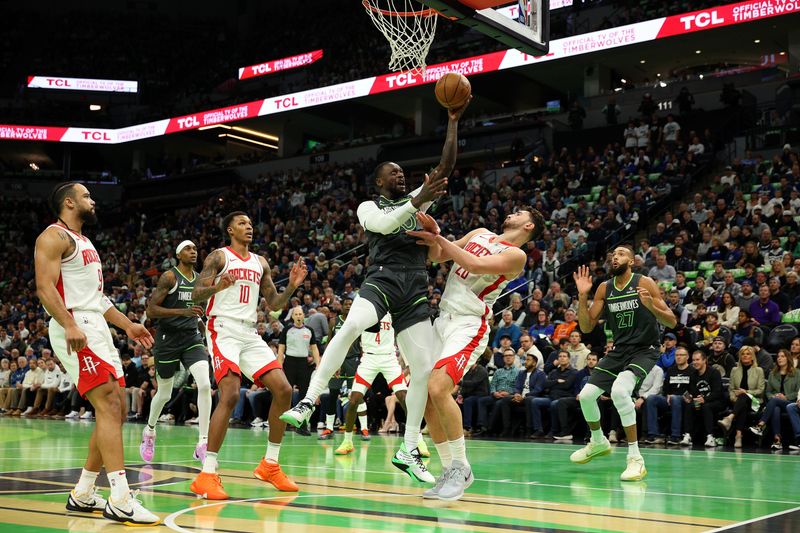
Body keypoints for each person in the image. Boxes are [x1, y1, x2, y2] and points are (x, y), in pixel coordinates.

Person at [281, 99, 469, 484]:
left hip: (415, 286)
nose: (401, 175)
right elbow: (384, 226)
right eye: (393, 172)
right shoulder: (369, 206)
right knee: (350, 326)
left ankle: (409, 446)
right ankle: (309, 399)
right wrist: (416, 199)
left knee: (422, 371)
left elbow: (446, 166)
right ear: (379, 181)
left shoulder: (417, 200)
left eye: (403, 172)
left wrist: (451, 121)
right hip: (382, 279)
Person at [35, 182, 159, 525]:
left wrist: (128, 325)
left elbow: (98, 299)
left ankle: (84, 492)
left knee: (116, 408)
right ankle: (121, 496)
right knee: (107, 402)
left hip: (95, 325)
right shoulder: (53, 237)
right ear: (70, 202)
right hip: (74, 324)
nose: (93, 200)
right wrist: (69, 324)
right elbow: (45, 287)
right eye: (87, 196)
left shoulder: (85, 242)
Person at [408, 206, 544, 500]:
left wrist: (437, 235)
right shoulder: (480, 233)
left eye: (520, 212)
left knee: (438, 387)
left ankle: (461, 466)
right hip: (442, 318)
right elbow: (438, 257)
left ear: (529, 225)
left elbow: (474, 264)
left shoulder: (516, 256)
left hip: (469, 324)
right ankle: (448, 469)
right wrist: (433, 240)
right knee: (424, 396)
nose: (513, 213)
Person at [189, 211, 308, 500]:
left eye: (251, 224)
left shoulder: (260, 263)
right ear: (230, 229)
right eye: (242, 223)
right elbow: (195, 293)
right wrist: (218, 286)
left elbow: (275, 302)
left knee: (283, 389)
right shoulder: (219, 257)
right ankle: (207, 473)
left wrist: (291, 286)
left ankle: (270, 464)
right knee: (229, 394)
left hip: (249, 330)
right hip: (223, 328)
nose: (249, 227)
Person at [570, 245, 677, 481]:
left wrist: (650, 305)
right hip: (619, 350)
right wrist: (582, 295)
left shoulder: (645, 282)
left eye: (620, 254)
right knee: (586, 395)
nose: (614, 257)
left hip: (645, 350)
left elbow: (671, 322)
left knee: (619, 391)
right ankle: (598, 441)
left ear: (632, 261)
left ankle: (635, 459)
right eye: (612, 255)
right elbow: (586, 327)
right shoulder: (604, 288)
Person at [140, 240, 213, 464]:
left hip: (191, 338)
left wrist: (202, 324)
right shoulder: (169, 277)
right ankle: (150, 431)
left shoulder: (200, 279)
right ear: (178, 255)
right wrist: (184, 312)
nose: (194, 252)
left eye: (195, 249)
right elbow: (151, 310)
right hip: (167, 339)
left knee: (205, 384)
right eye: (188, 249)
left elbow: (198, 311)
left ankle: (202, 443)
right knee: (164, 393)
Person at [335, 315, 412, 456]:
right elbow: (348, 339)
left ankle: (417, 440)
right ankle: (347, 441)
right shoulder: (365, 312)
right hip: (369, 359)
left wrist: (408, 362)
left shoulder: (392, 312)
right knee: (353, 400)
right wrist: (337, 361)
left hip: (389, 358)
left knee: (404, 397)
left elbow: (402, 337)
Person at [277, 306, 320, 436]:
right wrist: (279, 366)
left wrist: (318, 365)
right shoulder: (287, 330)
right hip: (289, 363)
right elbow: (280, 349)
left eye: (300, 314)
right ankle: (281, 426)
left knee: (304, 396)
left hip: (303, 365)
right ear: (292, 316)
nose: (298, 316)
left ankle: (302, 426)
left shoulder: (309, 330)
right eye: (296, 314)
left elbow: (314, 349)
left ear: (303, 316)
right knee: (286, 394)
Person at [749, 349, 799, 450]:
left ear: (788, 358)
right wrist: (773, 396)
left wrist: (786, 397)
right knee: (776, 408)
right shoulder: (773, 373)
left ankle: (761, 425)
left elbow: (798, 391)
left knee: (775, 402)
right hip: (775, 402)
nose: (779, 358)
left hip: (791, 403)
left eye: (782, 356)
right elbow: (768, 391)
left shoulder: (797, 373)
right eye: (778, 356)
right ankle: (777, 440)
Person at [718, 345, 765, 448]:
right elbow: (731, 388)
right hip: (738, 401)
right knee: (742, 405)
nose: (745, 356)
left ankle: (730, 418)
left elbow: (761, 390)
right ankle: (738, 436)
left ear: (752, 356)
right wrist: (733, 398)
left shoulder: (758, 370)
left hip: (754, 401)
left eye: (748, 354)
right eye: (743, 354)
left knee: (743, 396)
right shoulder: (735, 370)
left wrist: (746, 391)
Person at [644, 346, 693, 445]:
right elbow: (665, 388)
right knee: (651, 398)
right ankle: (654, 434)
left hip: (685, 400)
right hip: (669, 399)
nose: (678, 357)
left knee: (675, 398)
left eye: (681, 355)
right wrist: (667, 395)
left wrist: (677, 396)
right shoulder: (671, 370)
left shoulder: (692, 371)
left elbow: (693, 390)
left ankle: (675, 436)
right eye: (676, 355)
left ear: (687, 357)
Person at [681, 350, 725, 447]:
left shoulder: (714, 372)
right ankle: (688, 435)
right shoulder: (693, 375)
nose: (695, 362)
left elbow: (717, 392)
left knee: (706, 406)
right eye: (693, 360)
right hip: (700, 402)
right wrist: (690, 397)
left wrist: (705, 399)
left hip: (716, 402)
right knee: (690, 406)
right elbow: (693, 392)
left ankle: (710, 437)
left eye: (697, 360)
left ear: (704, 360)